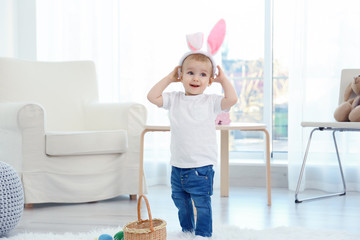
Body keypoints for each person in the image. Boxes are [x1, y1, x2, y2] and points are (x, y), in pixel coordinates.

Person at [147, 51, 237, 239]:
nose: (196, 78)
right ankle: (187, 231)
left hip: (201, 166)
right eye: (190, 73)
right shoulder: (174, 98)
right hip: (178, 164)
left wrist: (223, 80)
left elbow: (232, 100)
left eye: (203, 74)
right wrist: (169, 78)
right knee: (180, 201)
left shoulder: (210, 101)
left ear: (209, 81)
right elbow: (152, 96)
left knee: (202, 203)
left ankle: (203, 233)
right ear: (181, 75)